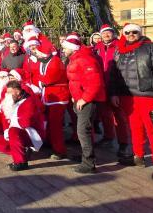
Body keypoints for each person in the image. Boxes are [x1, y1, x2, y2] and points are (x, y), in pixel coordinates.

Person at [110, 23, 153, 181]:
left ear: (140, 33)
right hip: (127, 96)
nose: (131, 34)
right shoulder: (119, 50)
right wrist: (114, 93)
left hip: (147, 95)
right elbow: (114, 74)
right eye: (128, 32)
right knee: (134, 128)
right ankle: (139, 155)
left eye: (135, 32)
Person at [61, 36, 105, 173]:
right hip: (80, 99)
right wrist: (76, 97)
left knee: (82, 130)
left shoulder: (85, 59)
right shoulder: (75, 59)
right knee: (84, 130)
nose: (62, 49)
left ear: (72, 48)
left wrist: (84, 99)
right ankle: (85, 157)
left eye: (64, 47)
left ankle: (89, 163)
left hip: (88, 101)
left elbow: (95, 82)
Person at [23, 34, 70, 160]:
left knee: (55, 125)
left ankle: (60, 150)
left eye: (38, 52)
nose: (36, 54)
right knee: (49, 123)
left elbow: (47, 79)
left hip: (58, 98)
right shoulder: (45, 61)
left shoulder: (55, 62)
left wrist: (38, 82)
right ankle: (52, 144)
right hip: (49, 97)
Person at [94, 24, 129, 158]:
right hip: (102, 85)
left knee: (119, 116)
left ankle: (123, 143)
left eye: (109, 33)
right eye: (104, 33)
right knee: (105, 114)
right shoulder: (97, 48)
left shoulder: (120, 46)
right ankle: (108, 137)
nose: (106, 35)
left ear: (113, 34)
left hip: (117, 85)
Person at [0, 80, 44, 171]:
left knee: (13, 131)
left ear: (17, 91)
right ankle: (22, 152)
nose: (7, 94)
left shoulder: (29, 102)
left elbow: (26, 122)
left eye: (9, 92)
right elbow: (6, 118)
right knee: (0, 143)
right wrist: (6, 131)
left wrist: (11, 127)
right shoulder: (12, 101)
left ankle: (20, 162)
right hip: (17, 133)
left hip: (31, 133)